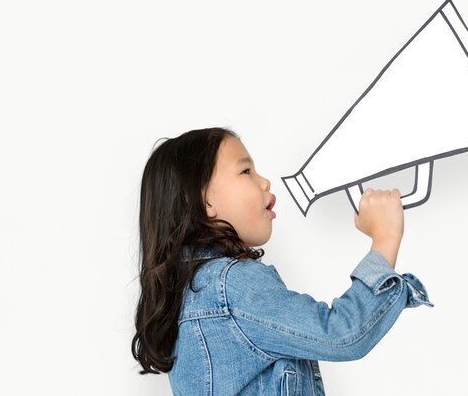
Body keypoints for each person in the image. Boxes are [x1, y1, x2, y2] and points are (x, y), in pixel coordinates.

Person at [132, 127, 432, 395]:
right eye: (245, 171)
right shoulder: (231, 286)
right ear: (203, 201)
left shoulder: (191, 292)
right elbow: (344, 333)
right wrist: (385, 239)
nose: (265, 182)